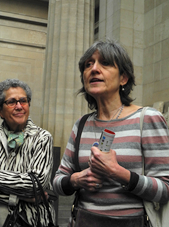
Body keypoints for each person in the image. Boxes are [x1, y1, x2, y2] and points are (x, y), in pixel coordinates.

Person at [53, 40, 169, 227]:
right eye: (88, 64)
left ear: (123, 78)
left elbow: (165, 189)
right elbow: (57, 182)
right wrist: (77, 179)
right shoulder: (81, 124)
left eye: (105, 63)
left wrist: (118, 173)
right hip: (84, 221)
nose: (94, 69)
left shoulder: (147, 119)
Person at [0, 79, 55, 227]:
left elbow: (36, 183)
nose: (19, 106)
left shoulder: (43, 137)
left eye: (23, 101)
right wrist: (21, 198)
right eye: (12, 102)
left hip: (30, 220)